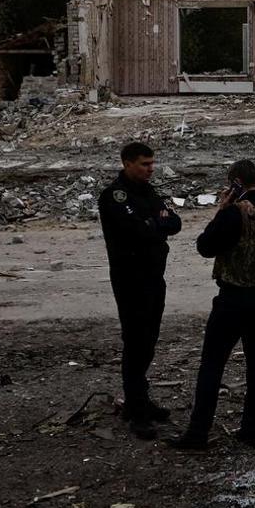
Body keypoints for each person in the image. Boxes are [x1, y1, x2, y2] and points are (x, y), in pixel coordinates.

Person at [168, 159, 255, 450]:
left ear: (235, 183)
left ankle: (198, 433)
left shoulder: (234, 213)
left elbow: (205, 247)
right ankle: (250, 430)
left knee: (213, 364)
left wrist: (220, 210)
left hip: (234, 297)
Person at [98, 141, 181, 440]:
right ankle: (136, 409)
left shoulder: (148, 192)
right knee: (135, 342)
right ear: (127, 163)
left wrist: (153, 224)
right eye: (145, 164)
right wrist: (153, 225)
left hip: (153, 277)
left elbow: (175, 222)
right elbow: (137, 230)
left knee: (149, 340)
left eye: (152, 163)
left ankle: (140, 399)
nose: (151, 168)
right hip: (130, 280)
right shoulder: (115, 196)